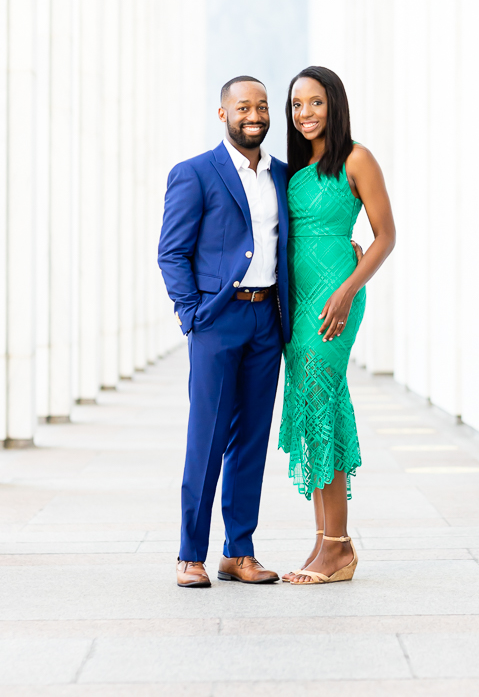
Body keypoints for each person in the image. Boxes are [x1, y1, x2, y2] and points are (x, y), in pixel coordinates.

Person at [158, 76, 290, 588]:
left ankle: (239, 551)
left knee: (252, 439)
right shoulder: (194, 173)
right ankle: (190, 554)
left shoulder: (282, 175)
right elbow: (172, 250)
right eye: (243, 107)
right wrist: (191, 312)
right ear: (223, 114)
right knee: (207, 437)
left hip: (266, 321)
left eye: (261, 106)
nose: (253, 114)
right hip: (218, 319)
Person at [279, 66, 396, 585]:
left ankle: (338, 546)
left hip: (335, 303)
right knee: (311, 409)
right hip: (297, 304)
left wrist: (347, 290)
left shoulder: (356, 159)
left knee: (322, 402)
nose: (305, 114)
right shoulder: (290, 170)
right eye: (297, 104)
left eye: (316, 103)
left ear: (335, 105)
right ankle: (330, 542)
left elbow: (385, 236)